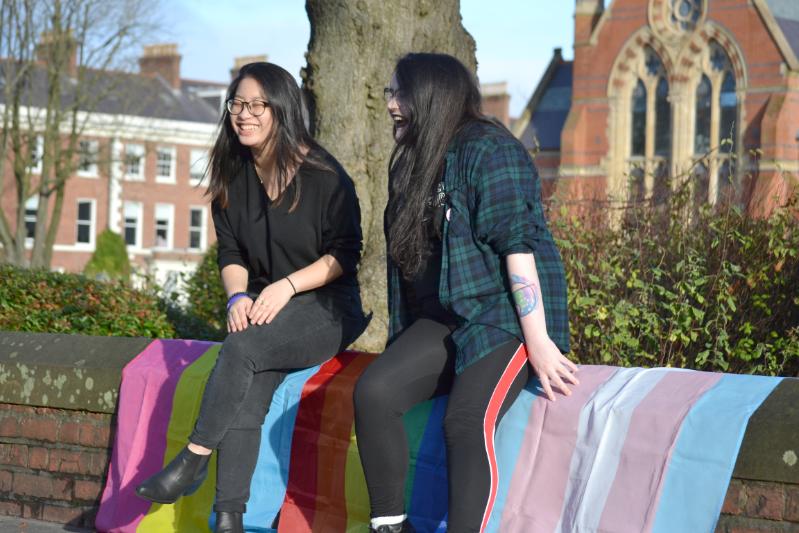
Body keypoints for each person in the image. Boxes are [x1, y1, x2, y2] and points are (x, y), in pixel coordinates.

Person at [136, 62, 369, 533]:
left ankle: (193, 458)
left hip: (326, 306)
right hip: (266, 308)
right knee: (248, 383)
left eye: (257, 105)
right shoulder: (232, 172)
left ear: (281, 109)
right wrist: (236, 296)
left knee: (241, 349)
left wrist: (285, 286)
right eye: (237, 104)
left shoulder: (324, 175)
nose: (244, 114)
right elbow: (231, 250)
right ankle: (228, 517)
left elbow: (346, 255)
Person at [353, 53, 579, 533]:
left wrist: (538, 341)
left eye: (399, 93)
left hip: (502, 316)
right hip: (446, 317)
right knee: (374, 392)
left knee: (464, 422)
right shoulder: (411, 162)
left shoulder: (489, 151)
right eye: (390, 93)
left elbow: (517, 248)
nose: (390, 103)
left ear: (431, 96)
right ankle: (390, 527)